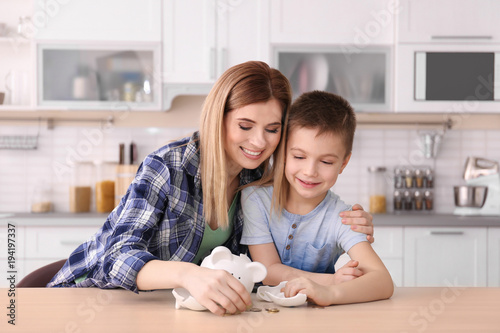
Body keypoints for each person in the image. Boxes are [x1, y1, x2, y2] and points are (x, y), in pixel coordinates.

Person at [47, 61, 375, 316]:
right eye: (245, 126)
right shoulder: (169, 166)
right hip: (89, 299)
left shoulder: (257, 180)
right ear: (219, 118)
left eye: (272, 129)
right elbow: (115, 259)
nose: (259, 141)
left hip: (167, 310)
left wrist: (349, 223)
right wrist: (187, 275)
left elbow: (281, 245)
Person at [241, 90, 393, 305]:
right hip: (258, 309)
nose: (310, 171)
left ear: (343, 163)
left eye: (326, 162)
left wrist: (330, 294)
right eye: (299, 156)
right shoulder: (256, 199)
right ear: (283, 152)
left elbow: (383, 281)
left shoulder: (342, 217)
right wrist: (331, 281)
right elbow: (267, 270)